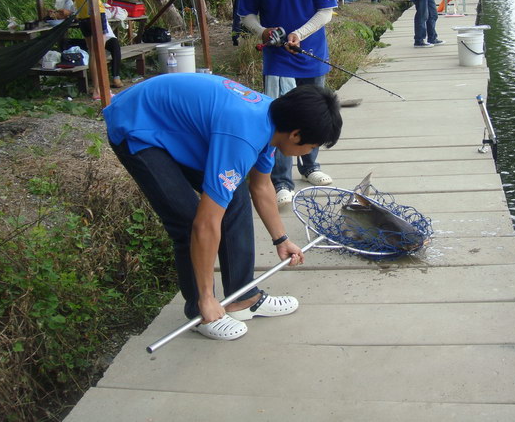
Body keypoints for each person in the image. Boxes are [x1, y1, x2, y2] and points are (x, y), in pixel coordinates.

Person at [104, 75, 342, 340]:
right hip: (137, 123)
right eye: (312, 146)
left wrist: (281, 239)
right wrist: (207, 297)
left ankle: (242, 298)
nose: (309, 151)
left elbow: (261, 187)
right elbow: (205, 223)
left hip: (175, 124)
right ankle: (200, 310)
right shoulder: (244, 135)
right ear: (296, 134)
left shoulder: (272, 121)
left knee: (235, 194)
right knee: (188, 220)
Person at [237, 0, 338, 206]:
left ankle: (310, 166)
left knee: (316, 112)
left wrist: (299, 34)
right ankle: (281, 179)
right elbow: (247, 15)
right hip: (277, 59)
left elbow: (325, 12)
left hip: (313, 54)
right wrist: (263, 31)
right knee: (281, 118)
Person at [69, 0, 124, 98]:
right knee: (98, 53)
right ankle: (100, 90)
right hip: (95, 13)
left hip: (82, 17)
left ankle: (97, 89)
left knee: (93, 52)